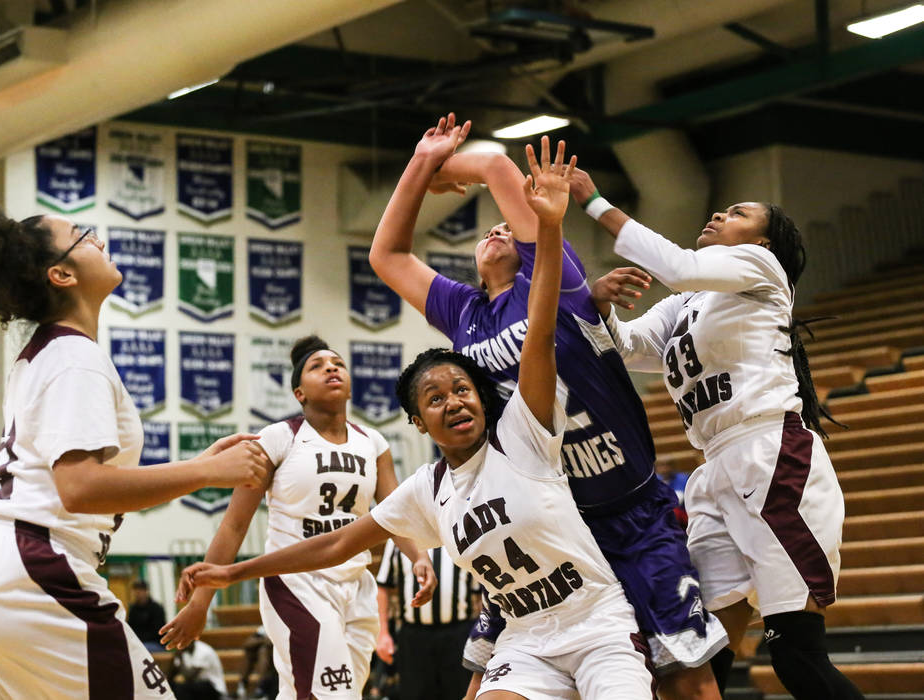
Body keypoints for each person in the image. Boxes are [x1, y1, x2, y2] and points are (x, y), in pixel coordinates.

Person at [176, 138, 656, 700]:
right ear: (419, 424)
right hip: (526, 633)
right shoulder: (428, 479)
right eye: (436, 398)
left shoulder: (522, 429)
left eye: (461, 389)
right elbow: (337, 543)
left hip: (604, 552)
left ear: (481, 395)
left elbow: (544, 327)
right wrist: (232, 573)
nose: (454, 401)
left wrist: (546, 227)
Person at [369, 114, 726, 698]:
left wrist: (444, 163)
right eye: (486, 233)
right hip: (549, 523)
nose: (497, 232)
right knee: (487, 679)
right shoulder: (462, 313)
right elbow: (388, 255)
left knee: (685, 680)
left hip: (628, 509)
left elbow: (494, 166)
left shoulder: (554, 277)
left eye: (508, 227)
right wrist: (419, 164)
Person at [0, 204, 272, 700]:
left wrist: (199, 465)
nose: (98, 239)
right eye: (82, 235)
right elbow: (81, 488)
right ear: (61, 274)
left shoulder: (46, 352)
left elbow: (76, 481)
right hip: (33, 571)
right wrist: (207, 473)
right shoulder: (75, 357)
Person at [575, 171, 863, 700]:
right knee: (700, 658)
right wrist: (597, 305)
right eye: (721, 209)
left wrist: (593, 203)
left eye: (736, 214)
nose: (717, 215)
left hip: (771, 455)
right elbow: (631, 348)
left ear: (761, 241)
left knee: (796, 657)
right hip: (712, 471)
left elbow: (679, 267)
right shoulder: (684, 304)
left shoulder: (760, 266)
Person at [159, 335, 438, 700]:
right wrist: (200, 605)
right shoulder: (278, 438)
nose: (331, 368)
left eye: (337, 363)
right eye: (317, 366)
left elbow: (392, 514)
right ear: (299, 393)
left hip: (355, 585)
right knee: (333, 695)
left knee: (314, 693)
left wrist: (418, 556)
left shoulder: (373, 442)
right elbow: (234, 525)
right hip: (296, 583)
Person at [375, 540, 479, 699]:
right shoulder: (399, 536)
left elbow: (480, 594)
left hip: (458, 635)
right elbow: (382, 586)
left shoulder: (460, 532)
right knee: (415, 694)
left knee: (461, 694)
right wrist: (382, 633)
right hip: (414, 638)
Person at [129, 580, 168, 652]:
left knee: (140, 650)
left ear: (146, 591)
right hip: (138, 643)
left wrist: (139, 641)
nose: (138, 593)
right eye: (136, 590)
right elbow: (130, 629)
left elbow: (158, 631)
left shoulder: (156, 608)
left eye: (140, 590)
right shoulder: (133, 609)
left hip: (156, 643)